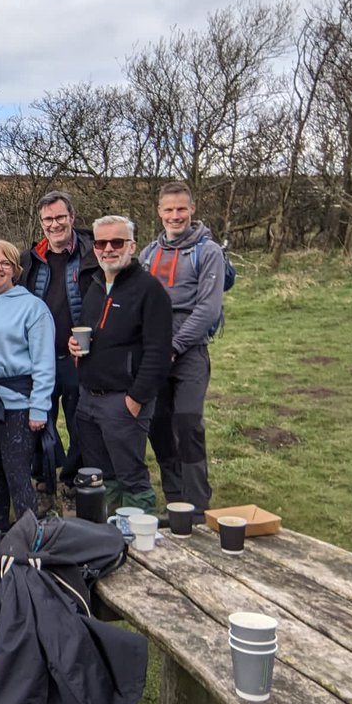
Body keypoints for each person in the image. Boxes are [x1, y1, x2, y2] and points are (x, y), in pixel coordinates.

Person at [70, 215, 173, 511]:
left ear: (132, 246)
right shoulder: (95, 285)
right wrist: (74, 345)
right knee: (103, 476)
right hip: (88, 399)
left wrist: (136, 399)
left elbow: (158, 352)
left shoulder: (149, 290)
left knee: (132, 477)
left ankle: (141, 544)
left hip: (123, 400)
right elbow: (87, 328)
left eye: (117, 242)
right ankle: (111, 537)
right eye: (101, 243)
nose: (108, 249)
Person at [138, 182, 221, 515]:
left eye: (181, 209)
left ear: (192, 209)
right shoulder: (147, 254)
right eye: (169, 210)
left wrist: (174, 345)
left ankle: (197, 504)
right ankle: (175, 497)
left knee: (187, 422)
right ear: (159, 212)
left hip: (190, 352)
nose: (175, 216)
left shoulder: (209, 251)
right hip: (155, 353)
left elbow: (208, 309)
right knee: (157, 423)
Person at [18, 190, 99, 502]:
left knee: (81, 423)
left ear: (72, 218)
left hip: (79, 357)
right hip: (41, 358)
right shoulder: (30, 260)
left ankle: (72, 479)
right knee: (39, 422)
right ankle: (44, 479)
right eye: (48, 219)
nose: (54, 224)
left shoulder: (91, 255)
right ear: (41, 223)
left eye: (60, 217)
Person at [0, 240, 55, 536]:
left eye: (5, 263)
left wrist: (39, 406)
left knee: (17, 472)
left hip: (18, 402)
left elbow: (44, 361)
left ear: (15, 270)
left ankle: (31, 536)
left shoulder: (33, 307)